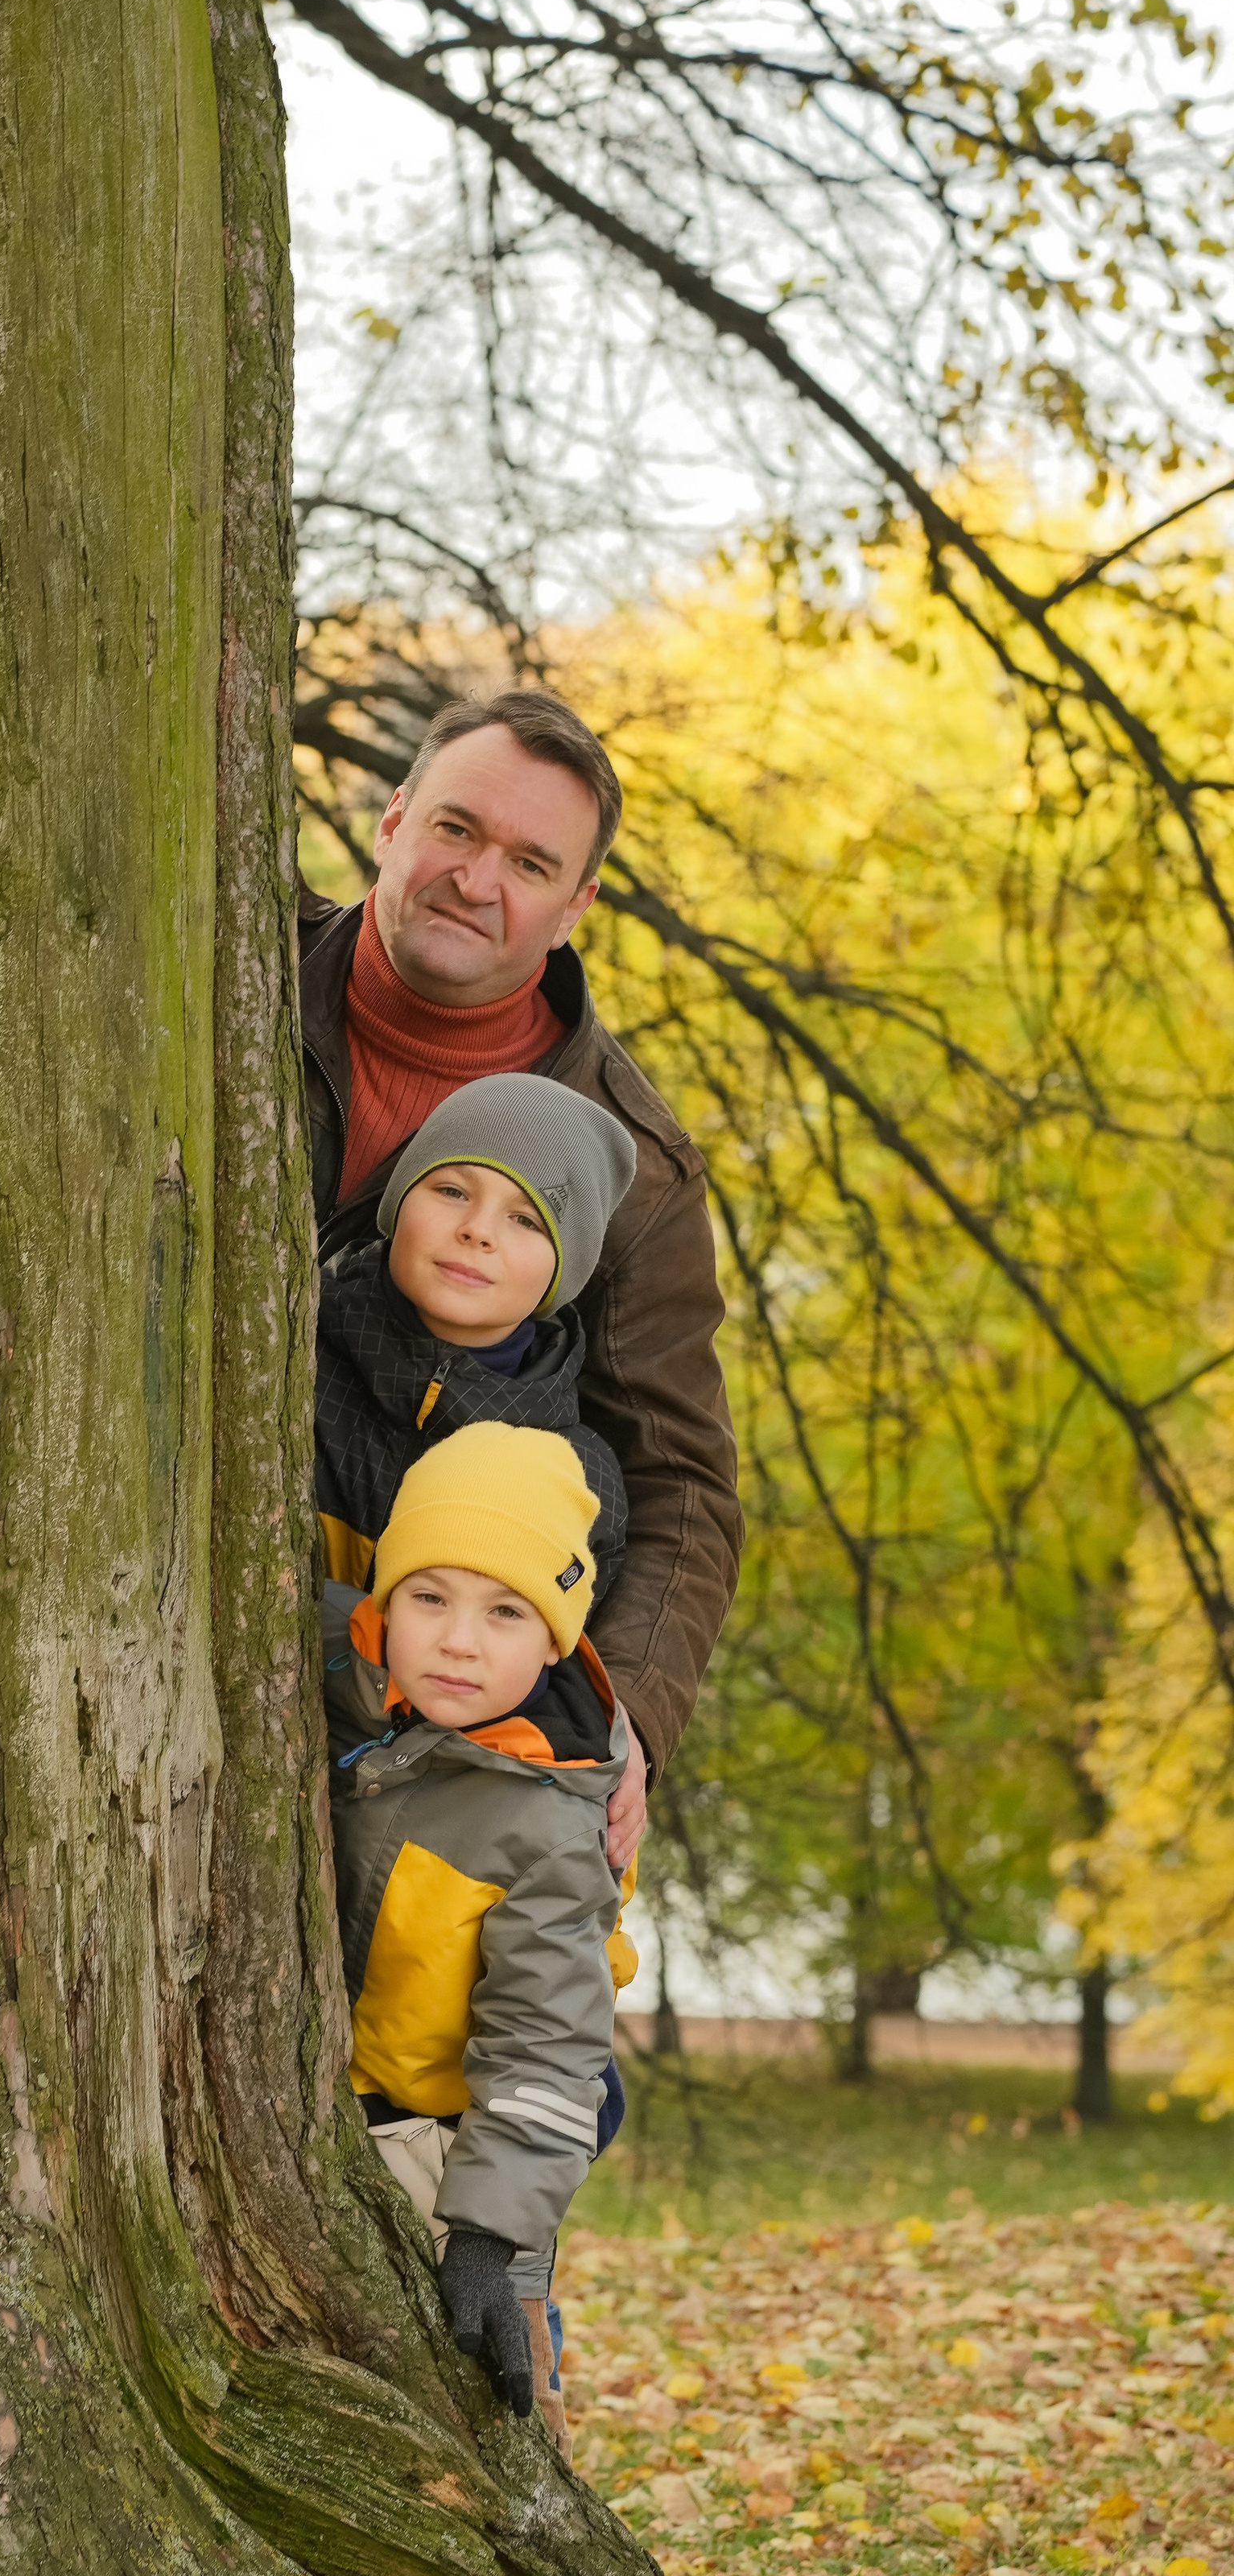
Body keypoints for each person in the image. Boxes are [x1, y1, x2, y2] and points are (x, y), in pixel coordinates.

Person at [300, 689, 741, 1870]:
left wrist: (625, 1710)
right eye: (456, 830)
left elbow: (685, 1483)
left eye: (530, 861)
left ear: (575, 904)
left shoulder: (634, 1167)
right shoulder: (227, 966)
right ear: (392, 821)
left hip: (415, 1704)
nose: (477, 879)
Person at [324, 1422, 629, 2442]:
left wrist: (487, 2237)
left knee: (494, 2396)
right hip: (344, 2114)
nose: (459, 1639)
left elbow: (547, 2046)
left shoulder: (543, 1828)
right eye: (429, 1597)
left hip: (464, 2151)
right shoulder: (346, 1688)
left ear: (554, 1640)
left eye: (506, 1612)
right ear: (383, 1600)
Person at [314, 1071, 637, 1604]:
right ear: (399, 1201)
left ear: (565, 1269)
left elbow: (534, 1677)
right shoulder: (292, 1355)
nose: (478, 1230)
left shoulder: (576, 1482)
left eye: (526, 1220)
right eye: (451, 1190)